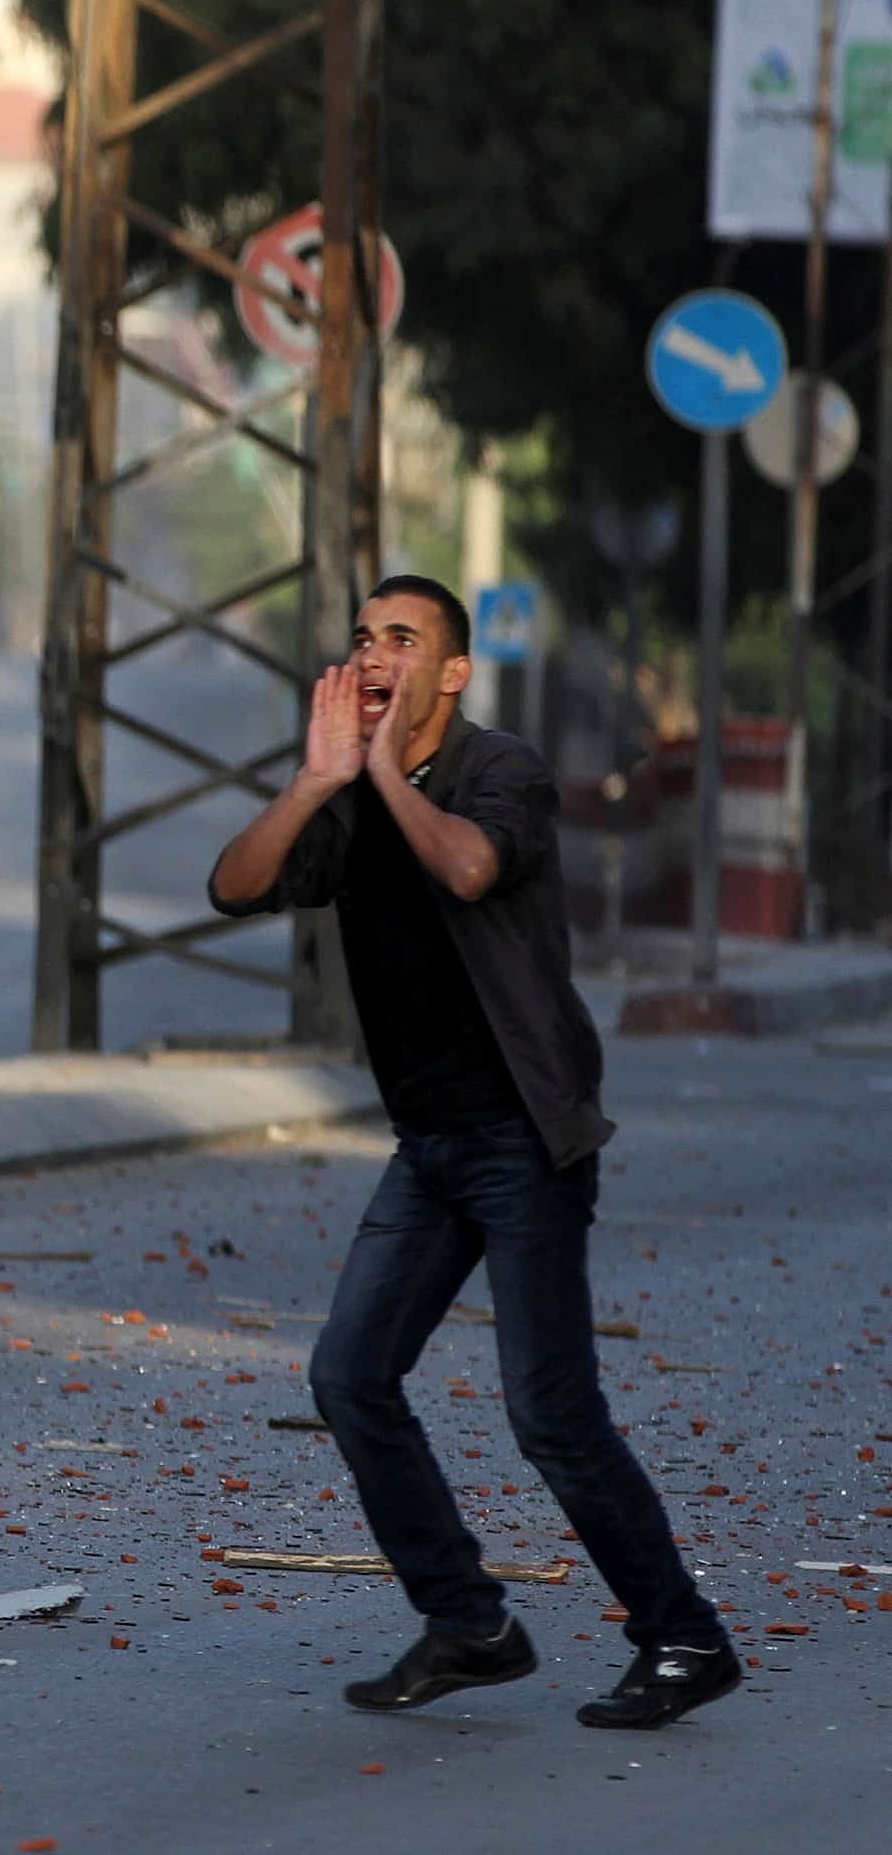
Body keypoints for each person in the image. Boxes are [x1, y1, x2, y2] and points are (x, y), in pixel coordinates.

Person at [208, 575, 738, 1731]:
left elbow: (464, 869)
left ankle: (683, 1636)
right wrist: (313, 782)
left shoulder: (503, 773)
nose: (373, 655)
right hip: (429, 1143)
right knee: (348, 1375)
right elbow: (232, 885)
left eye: (401, 639)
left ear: (450, 671)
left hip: (522, 1137)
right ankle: (467, 1622)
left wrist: (383, 773)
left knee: (549, 1410)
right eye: (361, 638)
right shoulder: (347, 794)